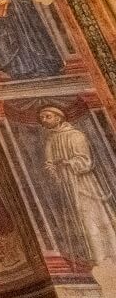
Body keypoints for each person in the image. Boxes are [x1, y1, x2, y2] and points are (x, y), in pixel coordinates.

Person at [39, 104, 116, 265]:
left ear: (58, 118)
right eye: (42, 118)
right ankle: (90, 257)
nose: (44, 120)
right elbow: (48, 163)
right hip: (66, 187)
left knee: (93, 219)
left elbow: (85, 161)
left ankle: (105, 256)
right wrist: (55, 173)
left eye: (47, 116)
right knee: (79, 221)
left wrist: (67, 164)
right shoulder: (50, 139)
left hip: (84, 185)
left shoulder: (76, 135)